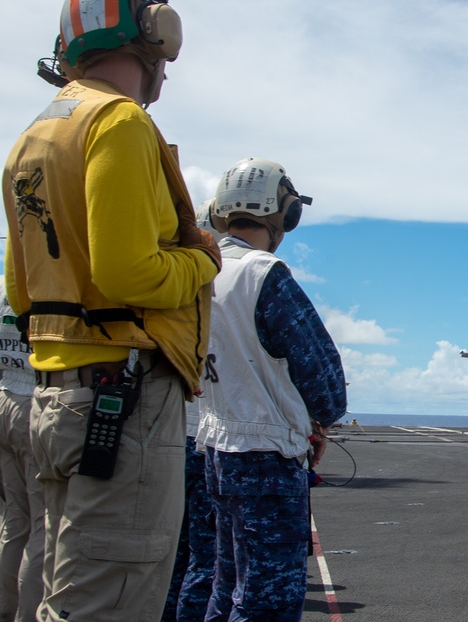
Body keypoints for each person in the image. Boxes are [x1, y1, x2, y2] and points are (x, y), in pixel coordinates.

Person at [1, 0, 220, 621]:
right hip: (122, 405)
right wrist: (199, 262)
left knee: (64, 595)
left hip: (56, 399)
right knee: (108, 603)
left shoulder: (30, 140)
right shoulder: (118, 122)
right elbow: (130, 275)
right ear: (150, 36)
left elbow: (21, 293)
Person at [197, 158, 347, 621]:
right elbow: (324, 379)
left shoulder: (199, 271)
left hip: (216, 449)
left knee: (224, 589)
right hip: (266, 459)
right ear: (281, 211)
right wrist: (320, 418)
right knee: (268, 601)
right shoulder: (264, 272)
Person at [161, 202, 223, 622]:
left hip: (168, 440)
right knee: (207, 559)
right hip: (202, 443)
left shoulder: (170, 292)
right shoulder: (223, 294)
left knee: (170, 557)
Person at [0, 285, 43, 622]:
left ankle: (5, 608)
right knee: (42, 527)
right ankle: (28, 615)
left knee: (15, 520)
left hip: (4, 394)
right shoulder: (45, 281)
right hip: (33, 398)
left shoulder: (4, 285)